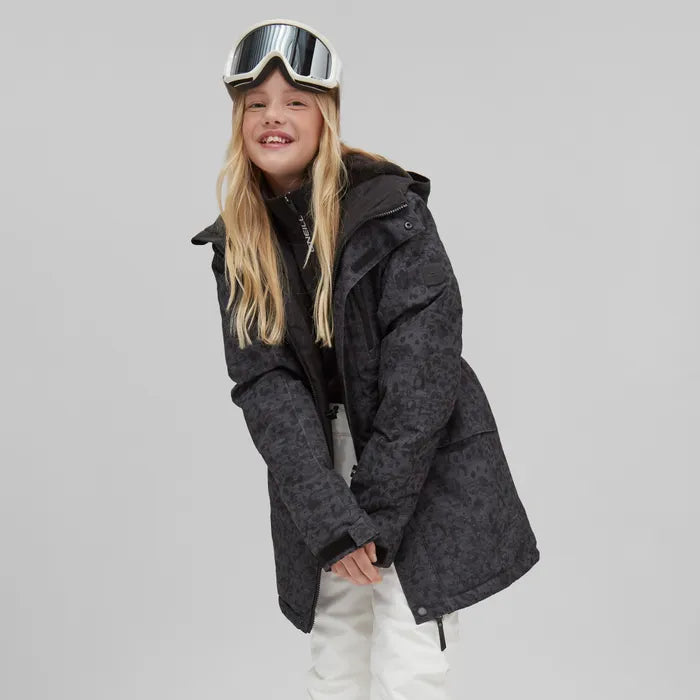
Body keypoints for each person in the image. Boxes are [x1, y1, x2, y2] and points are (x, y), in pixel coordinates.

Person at [190, 18, 540, 700]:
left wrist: (374, 510)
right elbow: (265, 385)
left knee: (411, 662)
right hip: (320, 467)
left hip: (415, 463)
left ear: (326, 115)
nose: (273, 117)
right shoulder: (240, 244)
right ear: (238, 121)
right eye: (256, 104)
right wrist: (332, 519)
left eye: (294, 102)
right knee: (336, 651)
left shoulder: (390, 211)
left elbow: (425, 369)